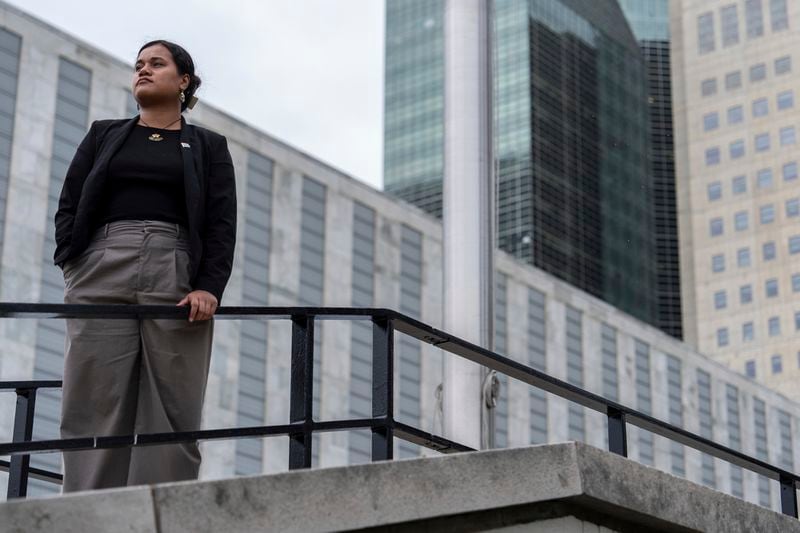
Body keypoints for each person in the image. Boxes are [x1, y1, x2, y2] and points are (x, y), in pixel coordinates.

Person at [53, 39, 237, 492]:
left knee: (173, 402)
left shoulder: (208, 145)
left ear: (184, 81)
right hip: (102, 263)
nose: (143, 70)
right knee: (93, 399)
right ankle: (86, 515)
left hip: (175, 268)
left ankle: (162, 509)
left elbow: (221, 222)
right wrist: (74, 264)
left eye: (157, 63)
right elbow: (70, 203)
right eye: (139, 64)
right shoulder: (105, 133)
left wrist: (208, 286)